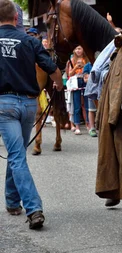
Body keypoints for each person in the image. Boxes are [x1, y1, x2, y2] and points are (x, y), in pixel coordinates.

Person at [0, 0, 64, 229]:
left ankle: (33, 208)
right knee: (18, 153)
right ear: (16, 19)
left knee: (16, 154)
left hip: (4, 104)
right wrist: (57, 85)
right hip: (28, 104)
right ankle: (12, 201)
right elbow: (53, 69)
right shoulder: (29, 40)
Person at [67, 45, 89, 135]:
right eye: (76, 49)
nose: (78, 51)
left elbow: (90, 71)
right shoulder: (72, 60)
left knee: (86, 105)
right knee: (77, 105)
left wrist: (84, 67)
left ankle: (89, 125)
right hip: (76, 81)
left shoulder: (87, 59)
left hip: (85, 81)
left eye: (80, 48)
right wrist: (76, 67)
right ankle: (77, 126)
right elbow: (70, 74)